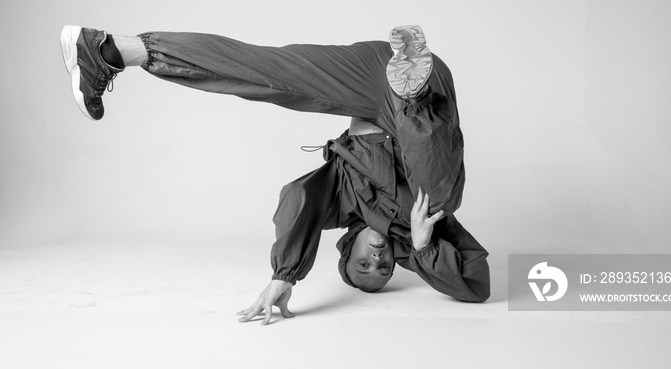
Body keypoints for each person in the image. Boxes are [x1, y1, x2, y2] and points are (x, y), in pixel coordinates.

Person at [60, 24, 490, 324]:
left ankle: (110, 49)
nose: (377, 260)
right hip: (426, 99)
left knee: (263, 72)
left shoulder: (339, 202)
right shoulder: (413, 239)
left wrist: (284, 275)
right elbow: (477, 285)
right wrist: (422, 245)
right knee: (440, 202)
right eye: (383, 268)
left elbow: (295, 201)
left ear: (347, 247)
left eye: (363, 265)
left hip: (371, 80)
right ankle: (414, 95)